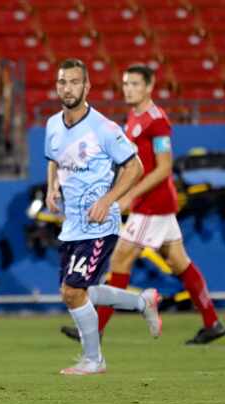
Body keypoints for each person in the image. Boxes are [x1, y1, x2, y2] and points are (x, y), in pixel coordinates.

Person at [45, 59, 162, 375]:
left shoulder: (104, 128)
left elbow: (134, 166)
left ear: (86, 87)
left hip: (99, 224)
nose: (67, 88)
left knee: (73, 291)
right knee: (77, 292)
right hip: (71, 224)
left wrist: (110, 199)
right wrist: (51, 187)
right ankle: (143, 302)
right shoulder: (53, 125)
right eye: (62, 82)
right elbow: (54, 159)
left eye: (73, 82)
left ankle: (94, 360)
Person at [97, 63, 225, 345]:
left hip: (152, 204)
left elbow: (164, 167)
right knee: (180, 262)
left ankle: (95, 330)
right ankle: (212, 322)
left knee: (119, 260)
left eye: (134, 84)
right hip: (153, 204)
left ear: (149, 86)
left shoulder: (157, 121)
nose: (128, 89)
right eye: (125, 83)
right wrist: (117, 191)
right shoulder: (133, 117)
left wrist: (131, 195)